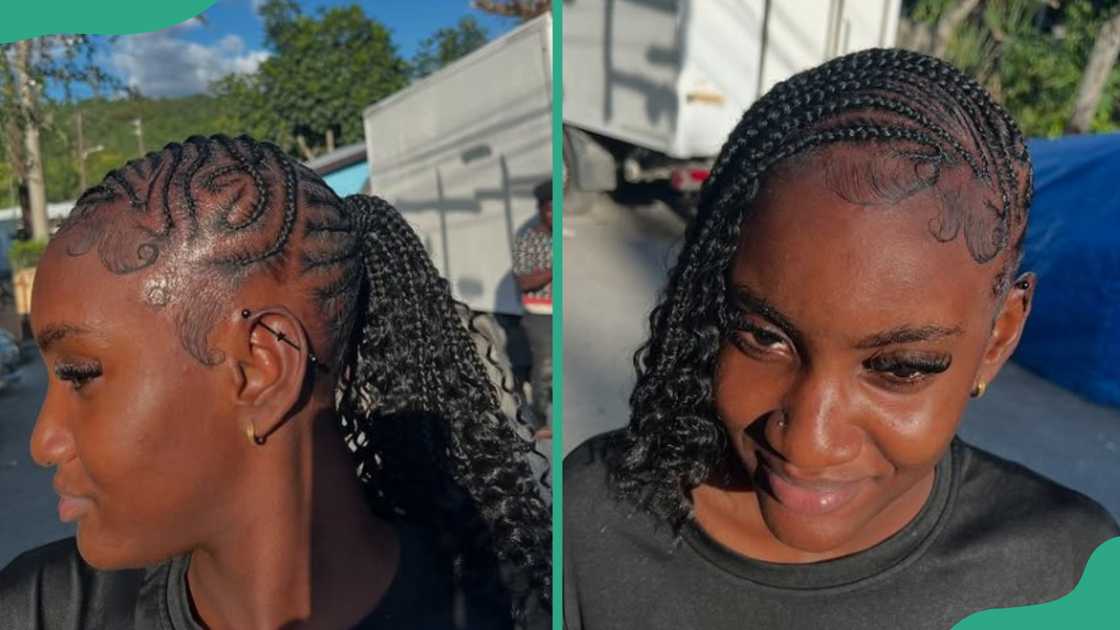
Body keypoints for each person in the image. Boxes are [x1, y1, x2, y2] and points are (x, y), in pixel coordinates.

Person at [563, 48, 1119, 629]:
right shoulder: (596, 519)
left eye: (901, 368)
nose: (808, 441)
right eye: (762, 336)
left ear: (998, 339)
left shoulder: (1072, 580)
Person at [0, 135, 551, 630]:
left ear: (263, 367)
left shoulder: (506, 609)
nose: (43, 442)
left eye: (80, 375)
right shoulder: (43, 609)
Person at [512, 181, 553, 436]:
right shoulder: (527, 240)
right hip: (540, 314)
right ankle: (539, 420)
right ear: (540, 209)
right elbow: (524, 282)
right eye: (550, 210)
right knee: (545, 367)